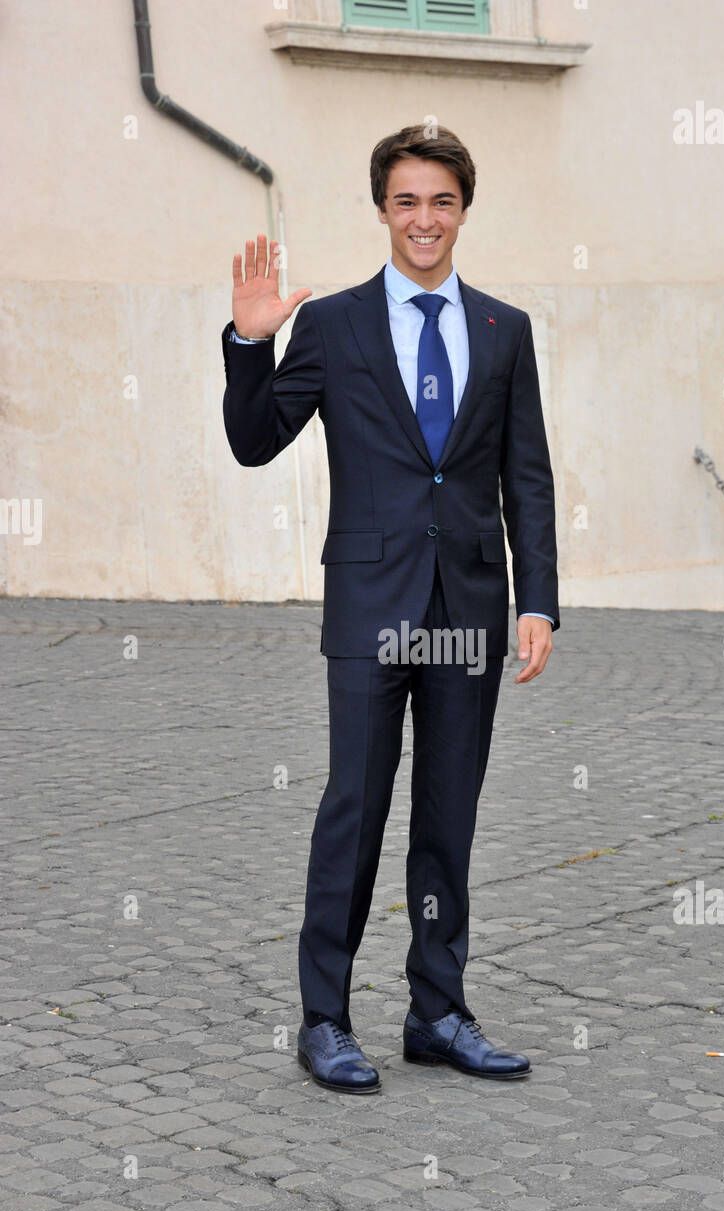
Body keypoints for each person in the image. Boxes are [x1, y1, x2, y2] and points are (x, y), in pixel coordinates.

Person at [222, 125, 559, 1094]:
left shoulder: (504, 330)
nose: (424, 219)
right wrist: (252, 342)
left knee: (448, 818)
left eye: (441, 200)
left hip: (469, 610)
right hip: (371, 608)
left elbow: (525, 477)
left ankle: (437, 1011)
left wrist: (536, 598)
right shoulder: (333, 323)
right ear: (382, 208)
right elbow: (254, 442)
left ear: (464, 209)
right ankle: (323, 1019)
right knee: (354, 811)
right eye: (406, 200)